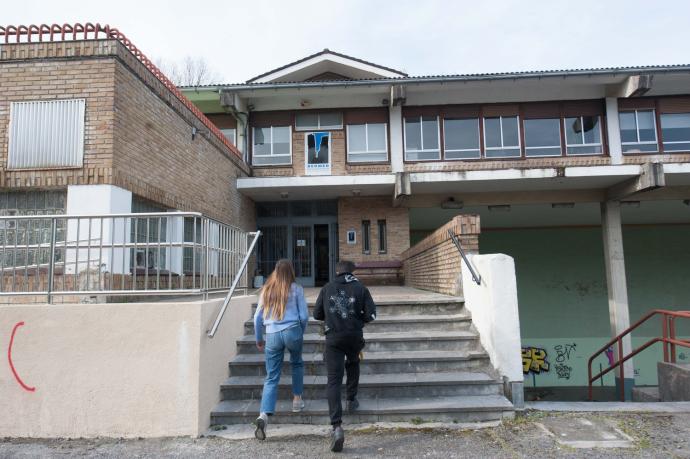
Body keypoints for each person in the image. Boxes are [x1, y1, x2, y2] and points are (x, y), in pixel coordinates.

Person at [313, 260, 376, 452]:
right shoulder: (361, 288)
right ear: (352, 272)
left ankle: (337, 426)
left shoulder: (327, 288)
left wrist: (332, 318)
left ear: (337, 272)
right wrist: (359, 321)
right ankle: (351, 399)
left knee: (333, 379)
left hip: (334, 337)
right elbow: (372, 315)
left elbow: (317, 314)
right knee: (354, 363)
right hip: (354, 336)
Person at [253, 259, 308, 441]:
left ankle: (263, 415)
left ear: (275, 271)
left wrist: (259, 338)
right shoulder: (297, 289)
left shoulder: (267, 289)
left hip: (272, 334)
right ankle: (297, 401)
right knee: (297, 363)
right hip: (293, 330)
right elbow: (304, 316)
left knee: (271, 376)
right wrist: (300, 331)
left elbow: (256, 319)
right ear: (291, 271)